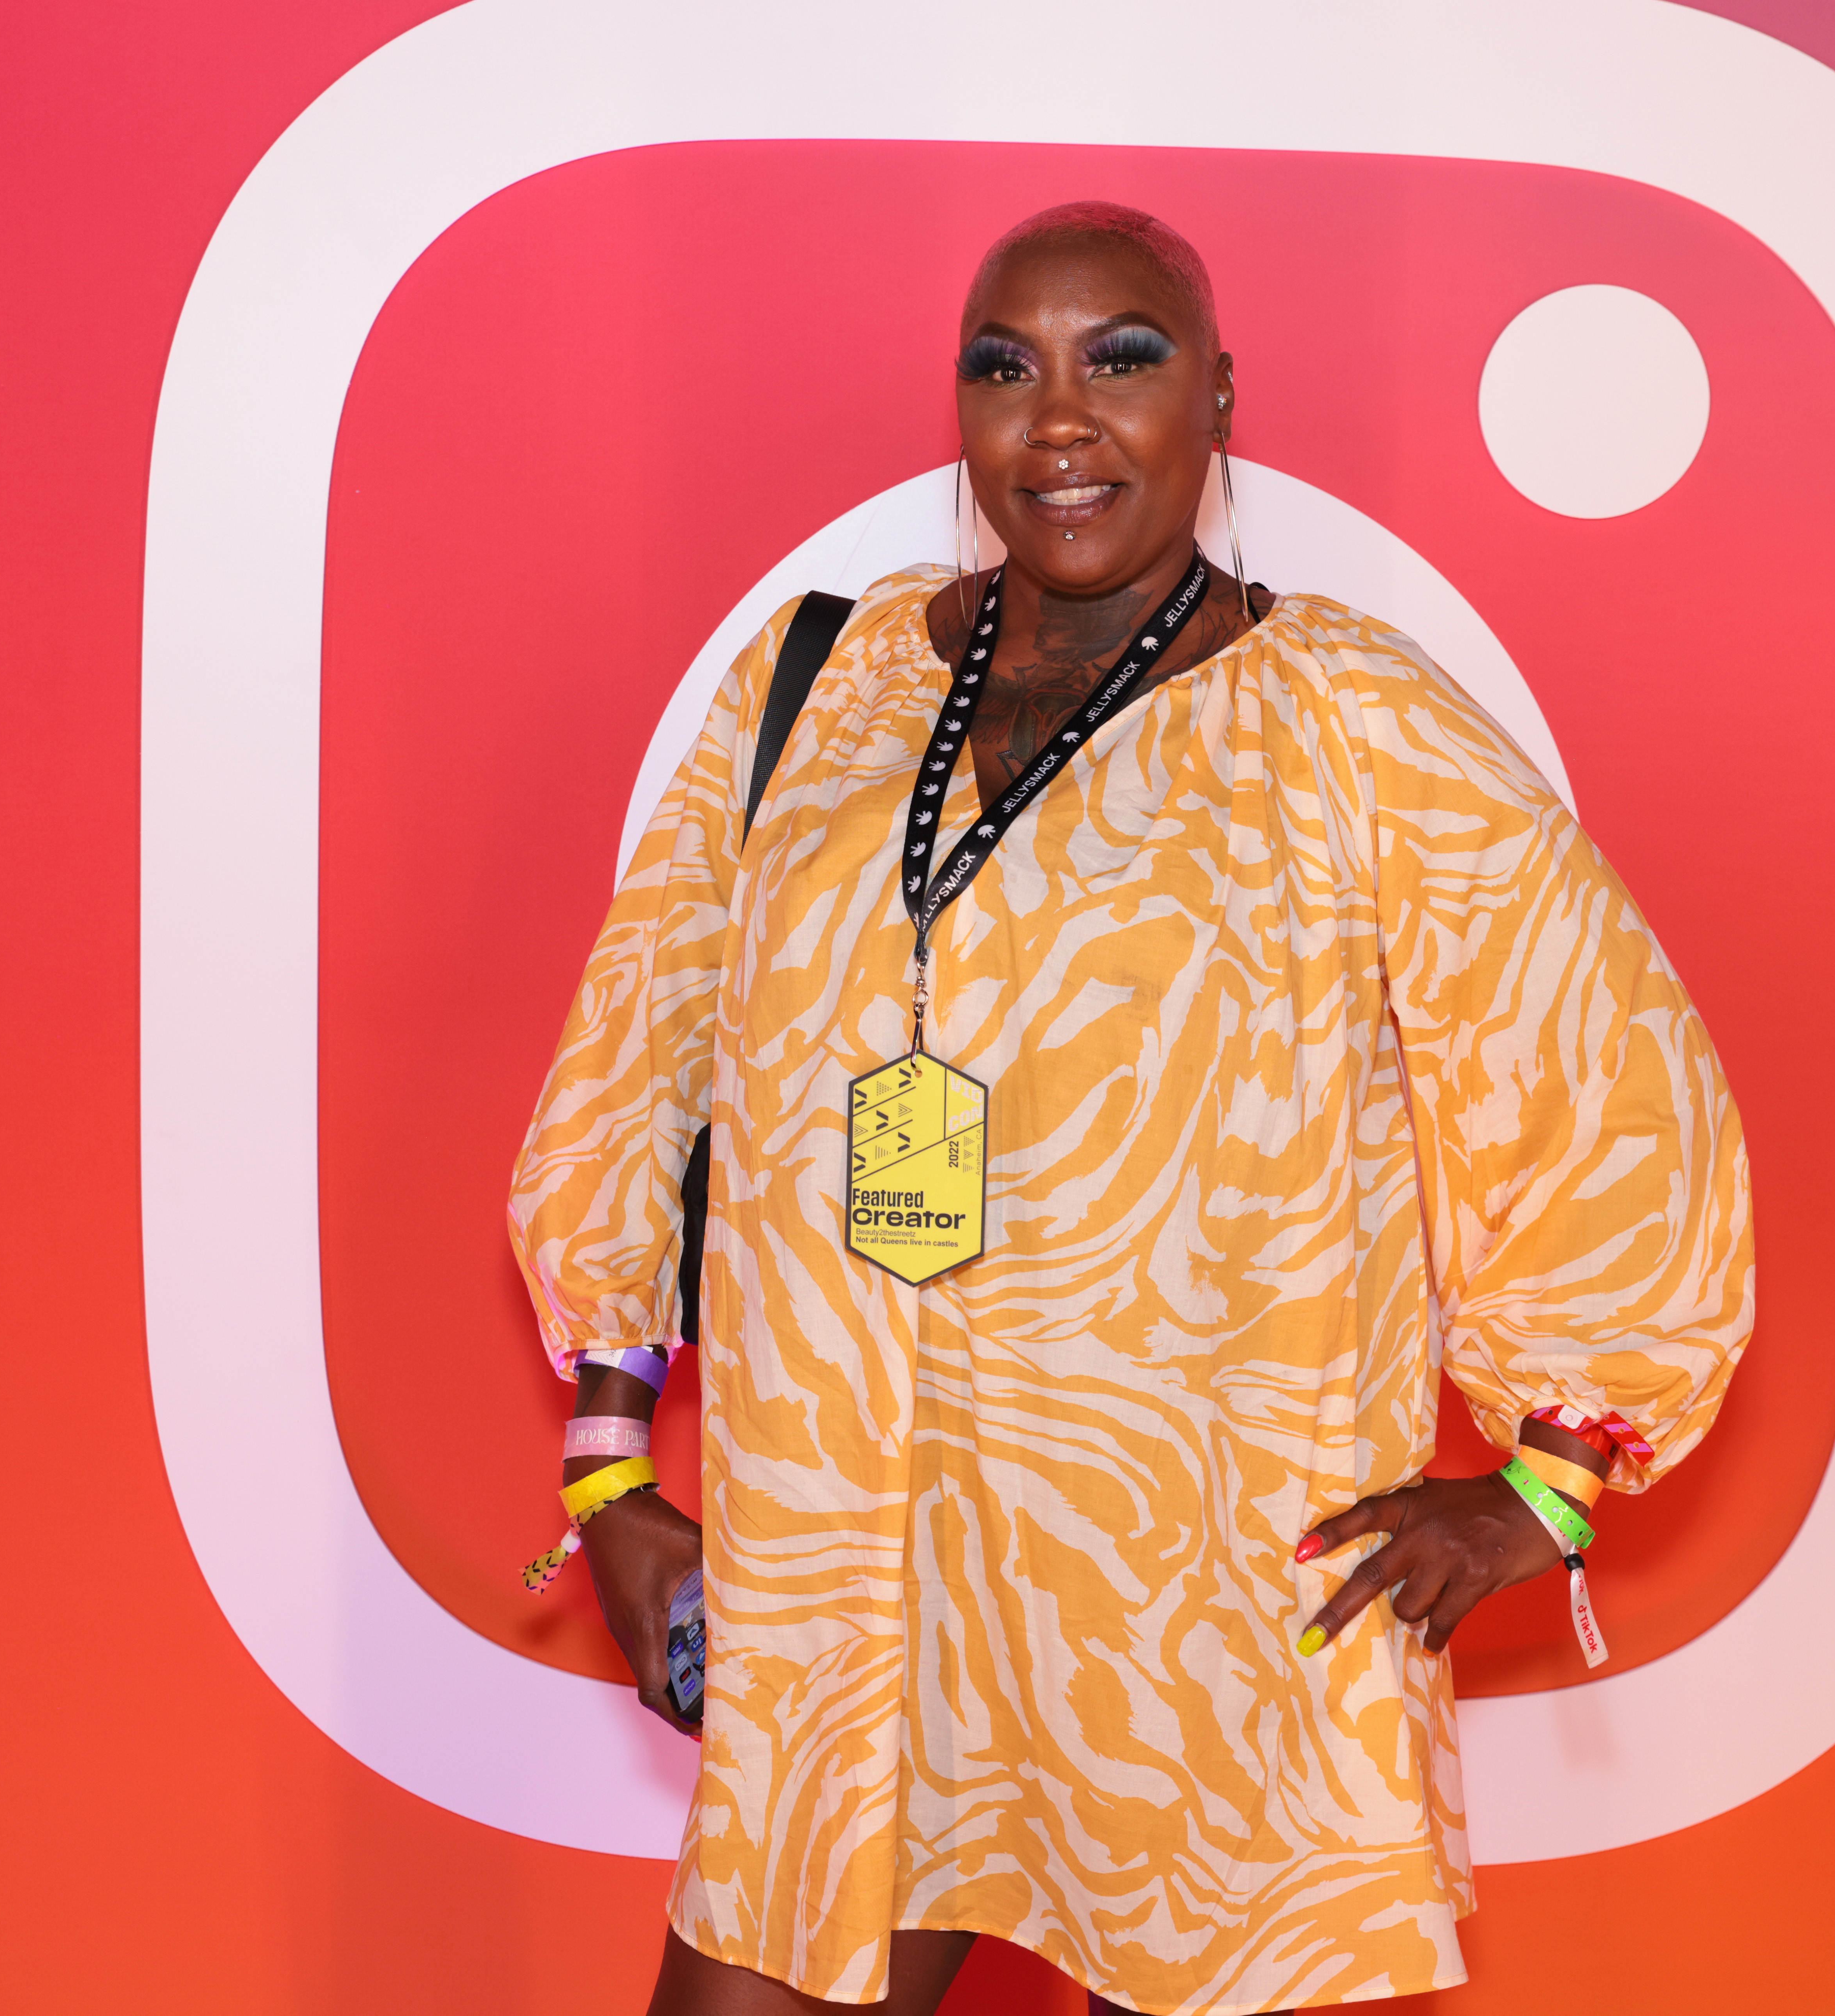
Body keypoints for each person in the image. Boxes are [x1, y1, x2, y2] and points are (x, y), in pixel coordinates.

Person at [509, 201, 1752, 2016]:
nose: (1060, 417)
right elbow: (639, 1061)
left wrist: (1547, 1485)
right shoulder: (815, 680)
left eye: (1124, 357)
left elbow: (1597, 1067)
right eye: (1005, 367)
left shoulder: (1351, 715)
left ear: (1221, 397)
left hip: (1210, 1591)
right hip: (859, 1564)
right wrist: (612, 1461)